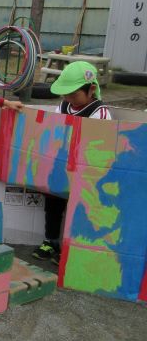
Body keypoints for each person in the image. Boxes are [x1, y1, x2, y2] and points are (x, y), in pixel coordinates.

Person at [32, 61, 111, 264]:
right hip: (62, 166)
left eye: (73, 94)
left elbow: (99, 145)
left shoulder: (99, 112)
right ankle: (51, 241)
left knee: (80, 207)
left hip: (86, 172)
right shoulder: (64, 105)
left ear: (91, 89)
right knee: (53, 201)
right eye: (65, 94)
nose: (68, 99)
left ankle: (71, 247)